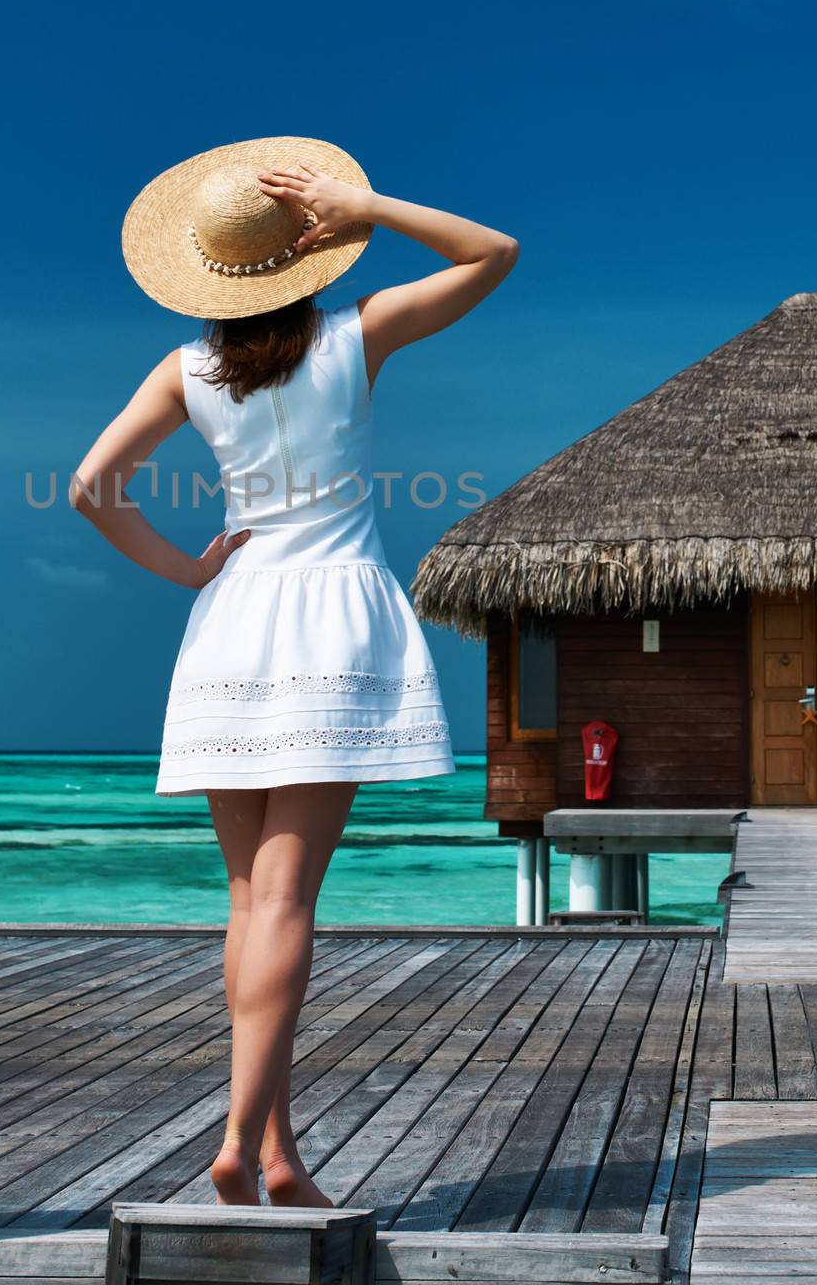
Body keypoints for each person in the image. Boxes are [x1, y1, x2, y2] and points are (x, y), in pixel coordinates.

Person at [71, 136, 517, 1206]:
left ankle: (278, 1154)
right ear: (308, 250)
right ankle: (234, 1136)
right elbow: (491, 252)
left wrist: (186, 569)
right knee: (285, 900)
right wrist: (362, 201)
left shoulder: (188, 367)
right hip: (329, 624)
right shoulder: (354, 338)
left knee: (244, 901)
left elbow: (91, 484)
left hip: (232, 620)